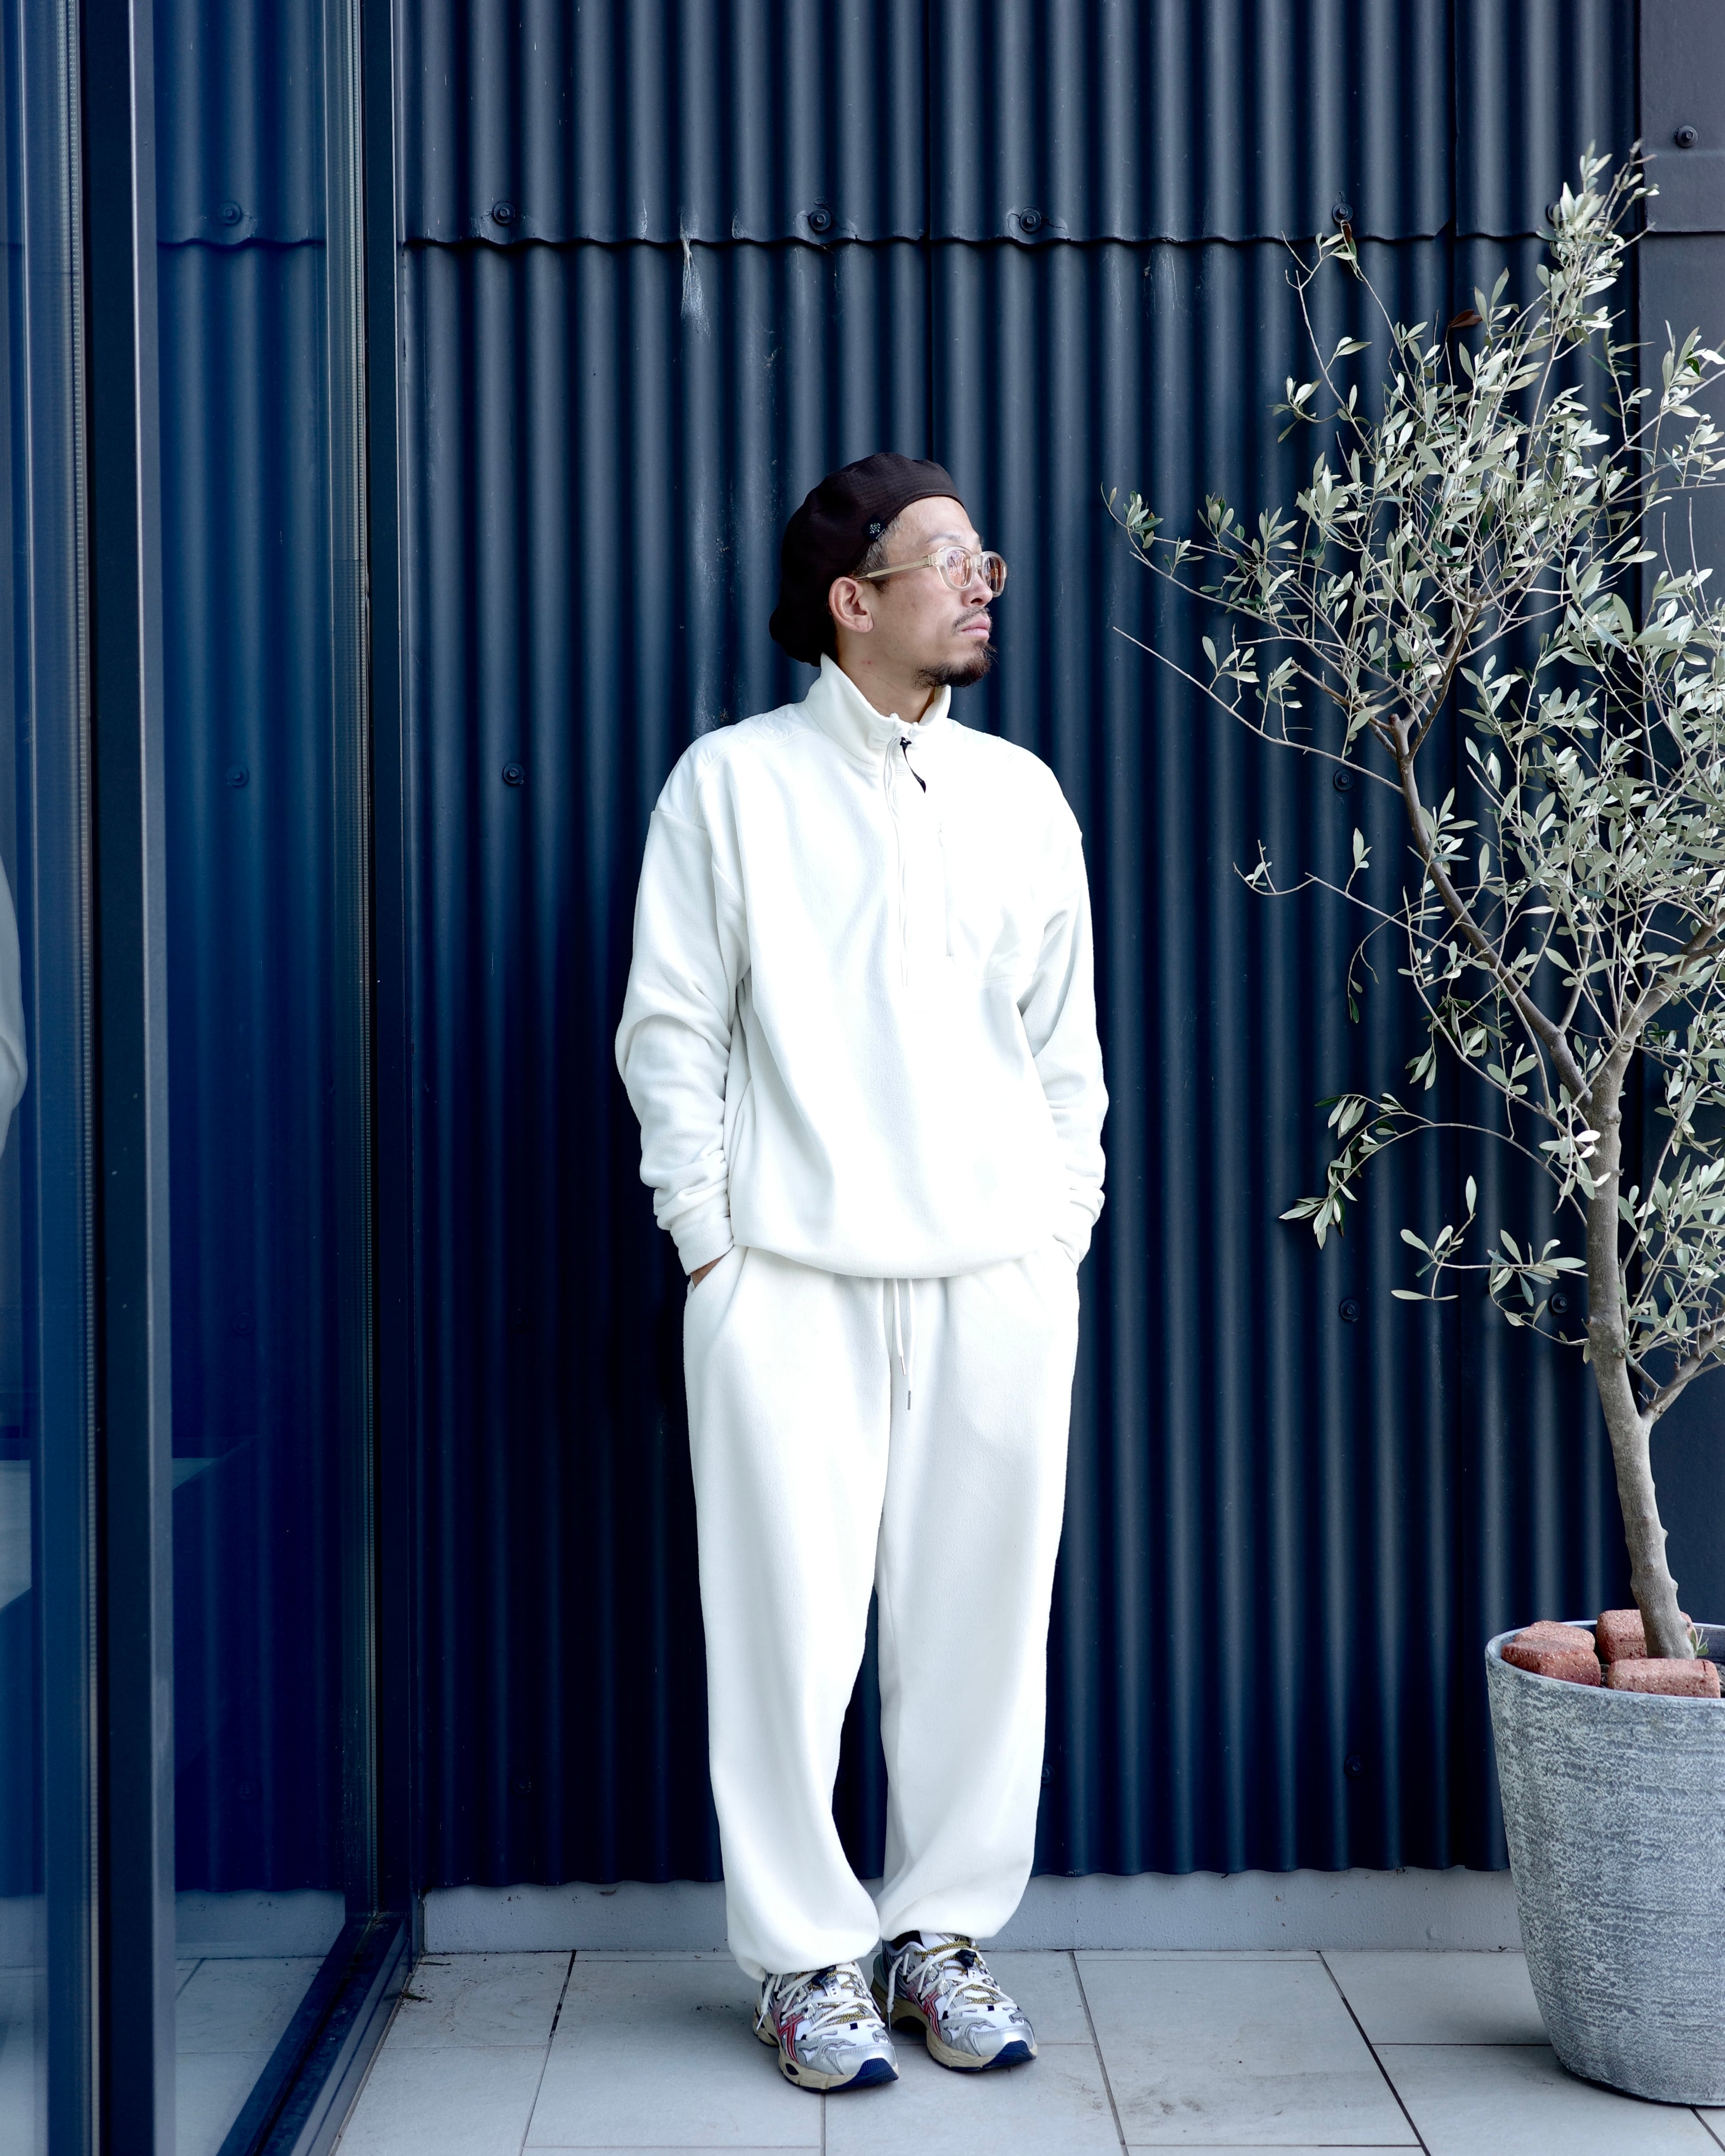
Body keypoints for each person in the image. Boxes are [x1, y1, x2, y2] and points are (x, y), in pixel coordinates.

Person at [616, 452, 1106, 2093]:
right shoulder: (732, 787)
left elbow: (1065, 1052)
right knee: (782, 1637)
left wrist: (1057, 1233)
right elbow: (671, 1031)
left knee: (983, 1633)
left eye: (984, 560)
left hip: (995, 1282)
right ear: (853, 598)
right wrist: (713, 1246)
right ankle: (804, 1959)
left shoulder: (1021, 797)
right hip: (788, 1285)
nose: (983, 582)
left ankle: (937, 1934)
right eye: (950, 558)